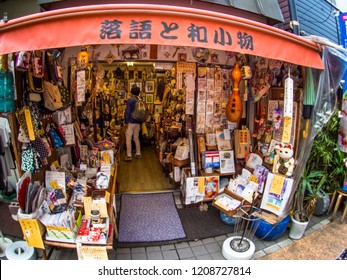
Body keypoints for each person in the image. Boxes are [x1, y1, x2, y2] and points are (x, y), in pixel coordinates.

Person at [124, 85, 142, 162]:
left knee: (128, 138)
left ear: (131, 92)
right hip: (138, 122)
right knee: (136, 138)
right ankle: (138, 153)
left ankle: (129, 155)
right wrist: (141, 122)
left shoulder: (130, 100)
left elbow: (127, 112)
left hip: (131, 122)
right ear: (138, 93)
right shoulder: (140, 100)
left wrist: (126, 121)